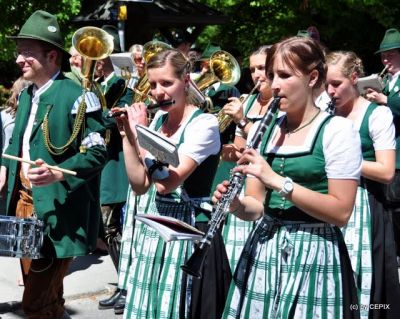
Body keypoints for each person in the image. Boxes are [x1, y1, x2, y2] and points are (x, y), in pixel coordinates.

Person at [213, 36, 362, 318]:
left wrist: (279, 182)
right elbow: (256, 207)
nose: (274, 84)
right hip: (265, 252)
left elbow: (341, 212)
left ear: (312, 77)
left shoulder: (338, 131)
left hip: (315, 253)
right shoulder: (265, 130)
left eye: (284, 75)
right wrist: (235, 205)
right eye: (271, 75)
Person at [0, 10, 107, 319]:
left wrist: (58, 172)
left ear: (51, 55)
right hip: (24, 207)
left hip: (58, 211)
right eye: (18, 52)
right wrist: (5, 168)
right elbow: (14, 142)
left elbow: (97, 153)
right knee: (45, 296)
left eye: (27, 53)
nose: (19, 59)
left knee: (36, 302)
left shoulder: (80, 96)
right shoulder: (26, 96)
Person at [114, 48, 228, 318]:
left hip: (189, 228)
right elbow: (140, 184)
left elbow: (167, 182)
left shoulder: (205, 124)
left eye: (167, 83)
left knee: (179, 308)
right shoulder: (158, 121)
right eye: (153, 85)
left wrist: (140, 132)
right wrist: (127, 135)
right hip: (157, 227)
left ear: (185, 81)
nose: (158, 92)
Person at [326, 50, 399, 318]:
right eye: (326, 84)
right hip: (329, 202)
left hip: (365, 205)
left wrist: (342, 160)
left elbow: (386, 170)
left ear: (354, 78)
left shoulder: (376, 115)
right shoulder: (325, 114)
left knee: (367, 286)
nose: (330, 91)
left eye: (337, 84)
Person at [212, 45, 273, 271]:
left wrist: (241, 120)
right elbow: (240, 149)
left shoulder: (282, 103)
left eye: (262, 68)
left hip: (267, 181)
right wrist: (219, 149)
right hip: (245, 179)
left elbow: (268, 142)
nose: (257, 74)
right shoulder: (248, 100)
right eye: (253, 69)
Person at [96, 24, 132, 314]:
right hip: (102, 167)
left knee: (115, 230)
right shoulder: (99, 86)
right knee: (110, 231)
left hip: (116, 171)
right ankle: (123, 285)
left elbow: (120, 121)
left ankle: (128, 287)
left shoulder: (122, 85)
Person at [366, 28, 400, 268]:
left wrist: (385, 100)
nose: (385, 60)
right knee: (388, 209)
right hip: (385, 155)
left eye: (390, 55)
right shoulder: (386, 80)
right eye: (383, 56)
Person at [0, 76, 31, 286]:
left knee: (20, 226)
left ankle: (27, 270)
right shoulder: (6, 116)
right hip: (10, 171)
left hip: (20, 174)